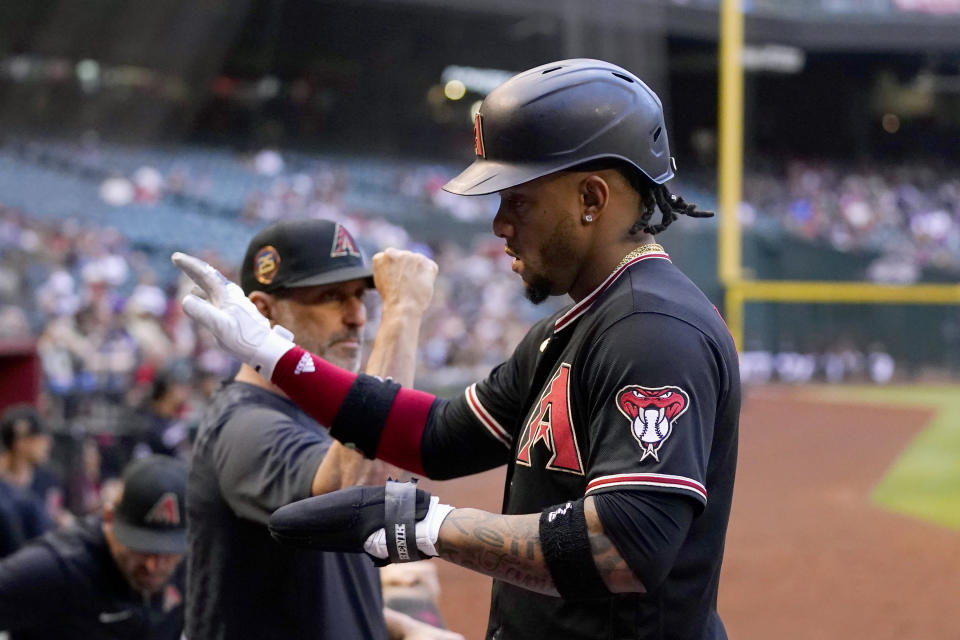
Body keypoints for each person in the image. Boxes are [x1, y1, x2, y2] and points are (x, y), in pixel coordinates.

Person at [175, 58, 740, 640]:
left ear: (590, 198)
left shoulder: (651, 328)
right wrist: (277, 356)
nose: (498, 224)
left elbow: (623, 545)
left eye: (516, 199)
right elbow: (435, 437)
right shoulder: (568, 330)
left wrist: (429, 526)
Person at [184, 219, 462, 640]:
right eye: (331, 297)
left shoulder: (308, 415)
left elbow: (291, 597)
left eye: (358, 296)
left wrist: (399, 628)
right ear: (262, 311)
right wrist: (402, 312)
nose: (357, 316)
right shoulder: (244, 425)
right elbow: (366, 487)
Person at [0, 454, 187, 639]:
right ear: (109, 519)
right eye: (141, 549)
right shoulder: (57, 568)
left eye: (168, 553)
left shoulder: (190, 565)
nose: (153, 566)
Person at [0, 404, 65, 533]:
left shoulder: (48, 479)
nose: (48, 443)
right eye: (40, 437)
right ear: (21, 442)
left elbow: (54, 517)